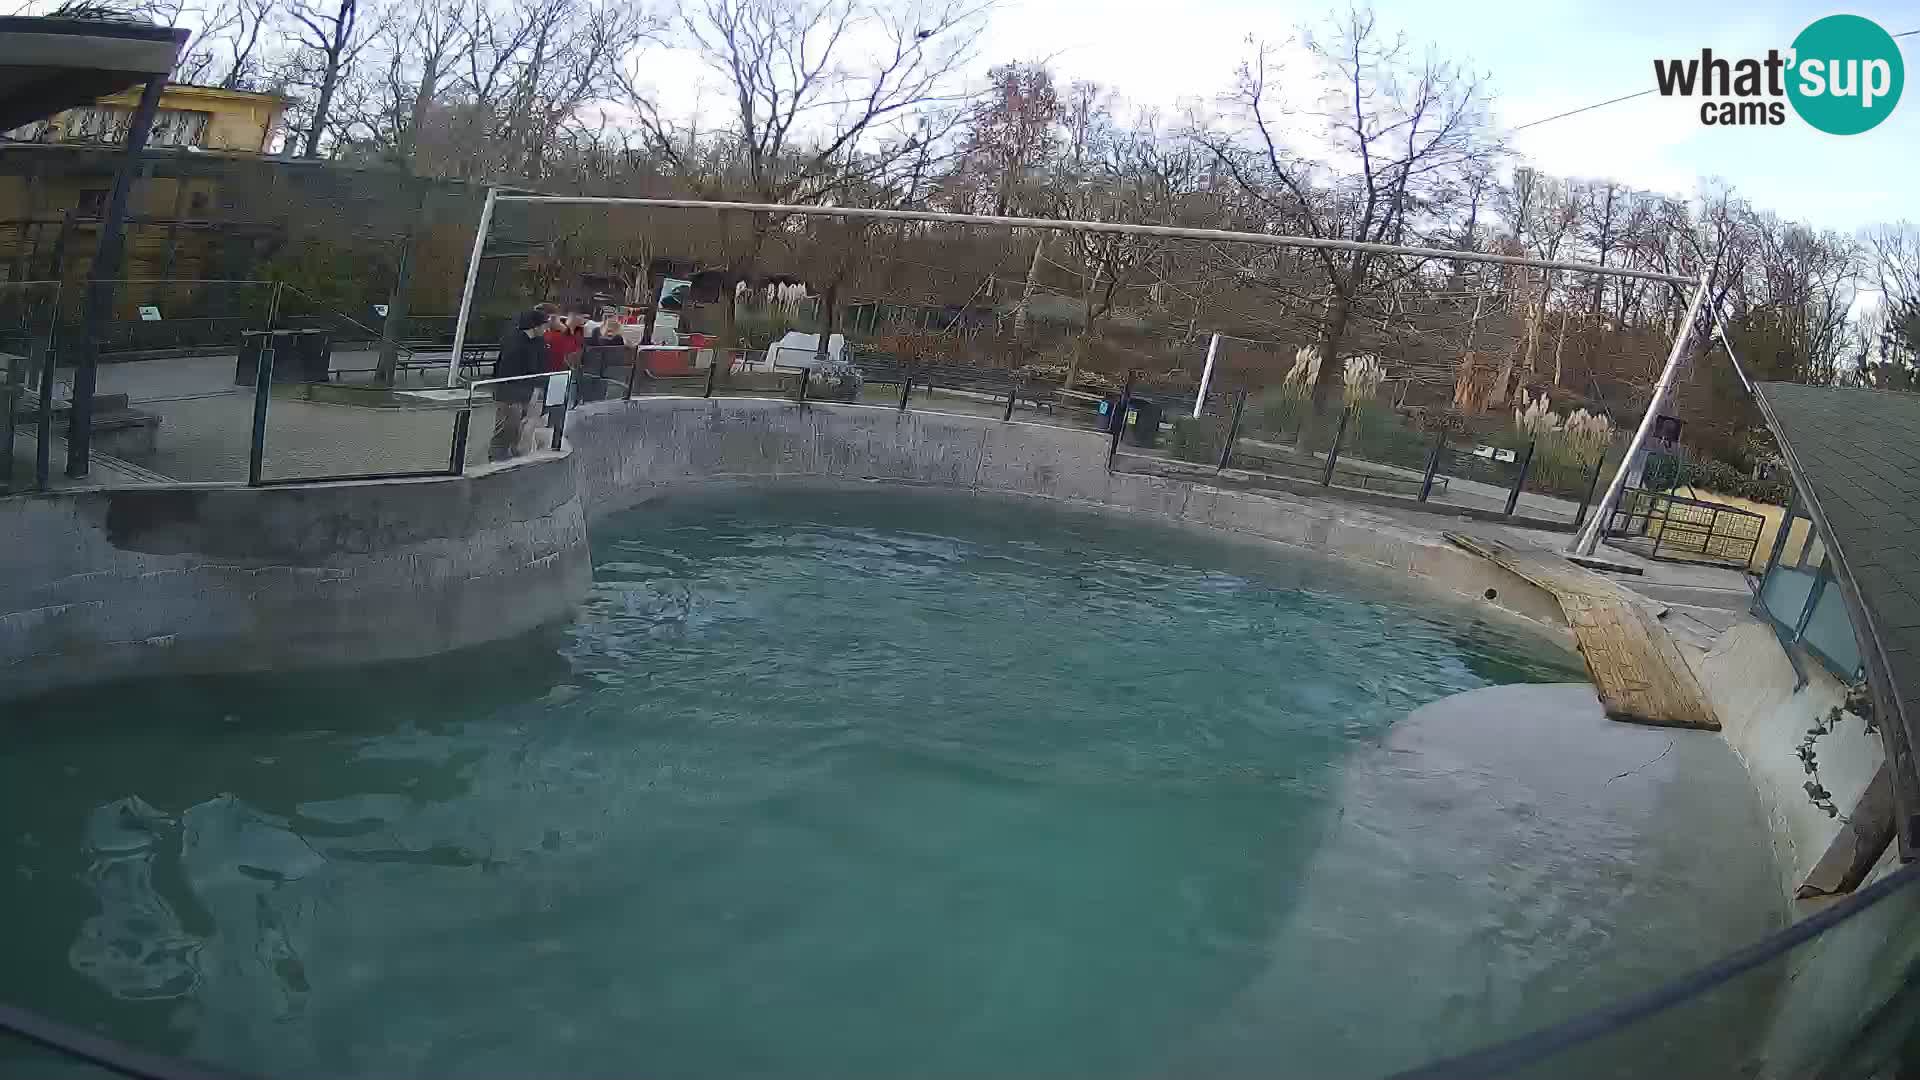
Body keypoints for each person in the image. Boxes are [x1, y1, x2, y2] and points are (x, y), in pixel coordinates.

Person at [491, 309, 549, 461]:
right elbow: (505, 371)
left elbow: (540, 367)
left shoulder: (538, 342)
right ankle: (498, 456)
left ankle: (514, 453)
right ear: (535, 326)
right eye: (543, 325)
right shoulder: (514, 342)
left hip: (525, 390)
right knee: (507, 425)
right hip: (510, 392)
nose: (546, 329)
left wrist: (536, 390)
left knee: (519, 426)